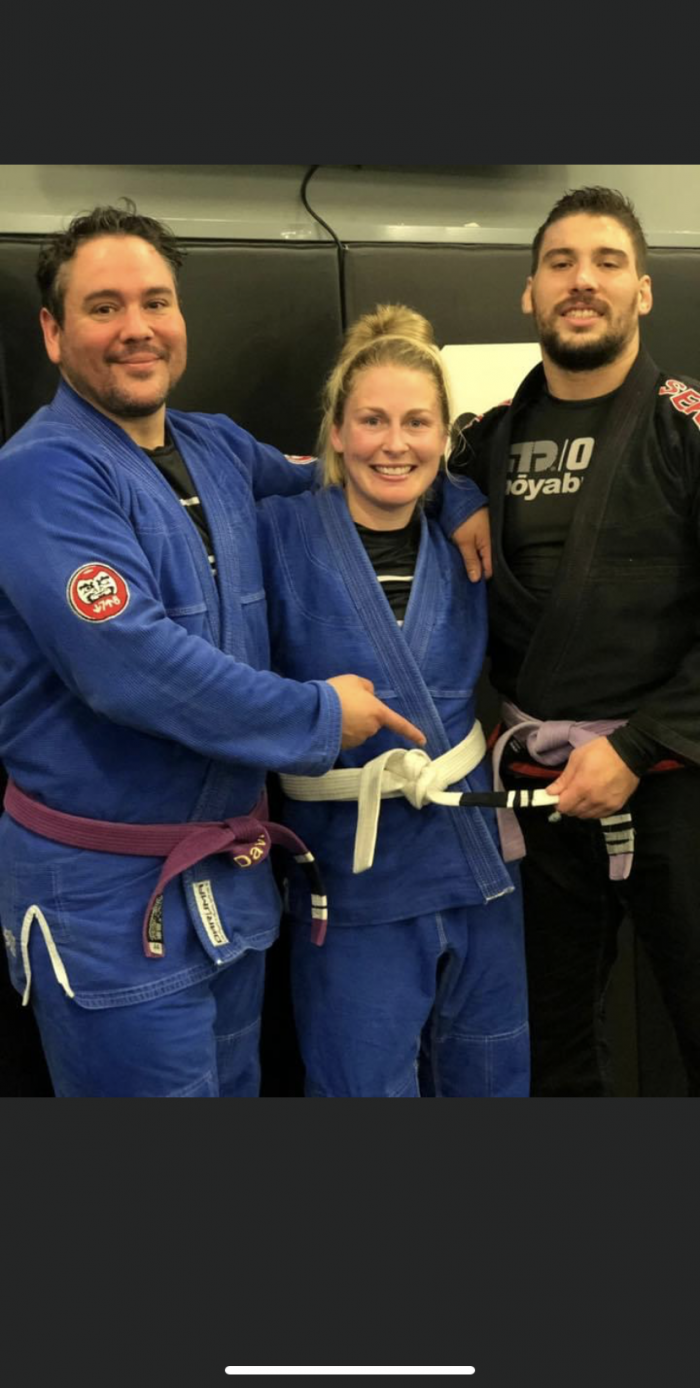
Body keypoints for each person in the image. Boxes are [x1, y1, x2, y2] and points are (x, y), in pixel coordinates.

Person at [0, 203, 478, 1099]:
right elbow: (130, 666)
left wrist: (459, 493)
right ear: (54, 333)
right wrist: (319, 715)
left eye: (156, 301)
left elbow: (351, 469)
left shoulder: (215, 446)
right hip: (111, 906)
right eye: (103, 307)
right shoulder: (42, 476)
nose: (137, 327)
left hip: (228, 891)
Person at [451, 185, 700, 1096]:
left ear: (644, 290)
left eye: (607, 262)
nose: (582, 280)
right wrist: (454, 494)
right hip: (542, 792)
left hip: (675, 781)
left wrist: (634, 749)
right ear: (530, 292)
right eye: (560, 264)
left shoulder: (686, 425)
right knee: (550, 1047)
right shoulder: (486, 444)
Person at [256, 305, 529, 1097]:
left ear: (444, 438)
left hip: (471, 852)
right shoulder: (277, 533)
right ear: (337, 432)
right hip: (352, 867)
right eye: (372, 420)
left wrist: (460, 496)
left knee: (491, 1074)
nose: (394, 443)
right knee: (361, 1087)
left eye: (417, 423)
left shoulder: (468, 535)